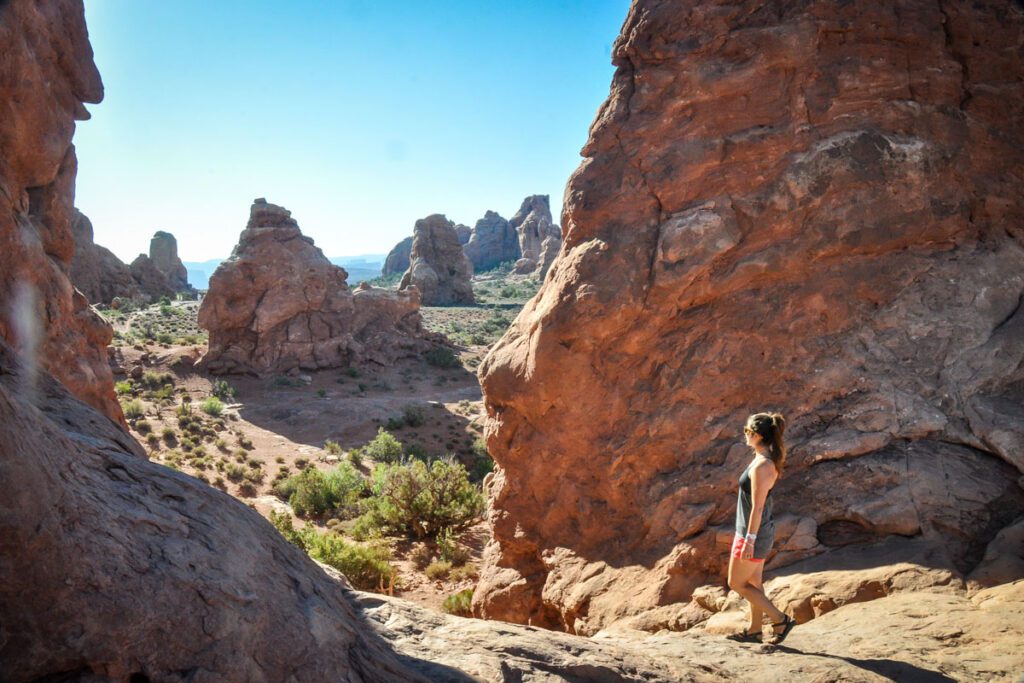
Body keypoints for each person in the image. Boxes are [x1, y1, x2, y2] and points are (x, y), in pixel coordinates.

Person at [725, 412, 796, 644]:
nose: (744, 435)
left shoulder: (762, 466)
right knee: (754, 583)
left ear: (756, 435)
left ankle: (780, 620)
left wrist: (749, 539)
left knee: (736, 583)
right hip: (752, 530)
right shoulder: (762, 459)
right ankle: (755, 630)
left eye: (747, 431)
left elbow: (757, 507)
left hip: (753, 532)